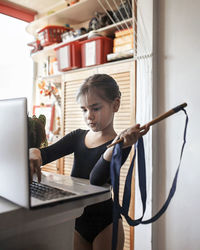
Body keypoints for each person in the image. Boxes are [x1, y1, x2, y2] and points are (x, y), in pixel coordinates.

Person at [29, 74, 149, 250]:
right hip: (77, 220)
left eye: (95, 108)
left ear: (115, 104)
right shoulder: (77, 137)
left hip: (106, 224)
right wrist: (34, 152)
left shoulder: (122, 144)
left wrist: (114, 147)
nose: (89, 116)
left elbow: (96, 179)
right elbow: (46, 154)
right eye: (84, 110)